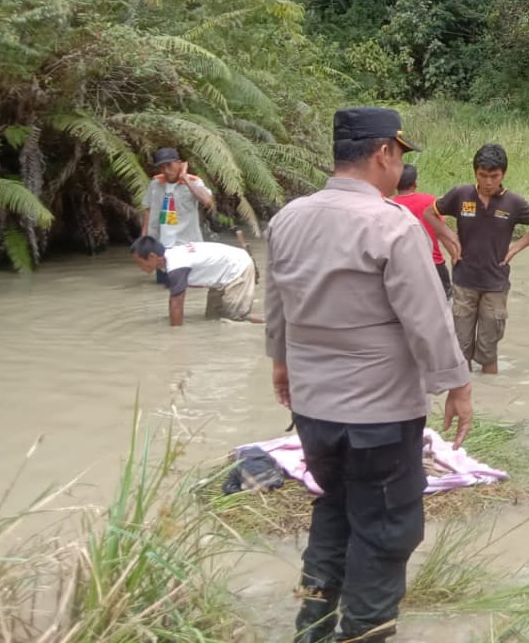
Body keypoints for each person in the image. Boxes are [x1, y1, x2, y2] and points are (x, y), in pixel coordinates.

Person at [265, 107, 474, 643]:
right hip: (379, 415)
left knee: (334, 509)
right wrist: (458, 385)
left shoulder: (288, 217)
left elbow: (277, 307)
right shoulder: (391, 223)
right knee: (384, 529)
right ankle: (363, 633)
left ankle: (311, 627)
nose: (399, 166)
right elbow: (426, 318)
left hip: (313, 411)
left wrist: (282, 366)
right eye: (399, 155)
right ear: (384, 152)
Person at [433, 143, 529, 375]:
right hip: (464, 281)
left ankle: (491, 392)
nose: (488, 182)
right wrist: (451, 240)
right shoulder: (461, 194)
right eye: (482, 175)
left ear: (503, 174)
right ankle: (467, 397)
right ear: (475, 172)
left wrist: (516, 247)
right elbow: (430, 213)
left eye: (494, 176)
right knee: (460, 347)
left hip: (495, 284)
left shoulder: (513, 203)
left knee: (489, 350)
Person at [131, 235, 262, 325]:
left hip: (239, 268)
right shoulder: (171, 256)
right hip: (223, 274)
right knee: (213, 318)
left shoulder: (176, 266)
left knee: (235, 319)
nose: (139, 267)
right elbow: (173, 300)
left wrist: (173, 338)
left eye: (139, 262)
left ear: (152, 256)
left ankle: (273, 321)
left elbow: (177, 305)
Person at [140, 147, 214, 284]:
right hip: (161, 248)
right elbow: (147, 209)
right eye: (162, 167)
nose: (166, 170)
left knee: (185, 288)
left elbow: (207, 201)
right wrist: (144, 238)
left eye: (169, 165)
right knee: (163, 286)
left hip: (186, 248)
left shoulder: (194, 182)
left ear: (179, 163)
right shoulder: (155, 184)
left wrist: (185, 178)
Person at [393, 164, 460, 300]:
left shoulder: (390, 205)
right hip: (434, 265)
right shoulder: (429, 201)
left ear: (395, 184)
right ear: (415, 184)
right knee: (444, 306)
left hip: (403, 267)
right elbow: (441, 232)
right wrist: (455, 255)